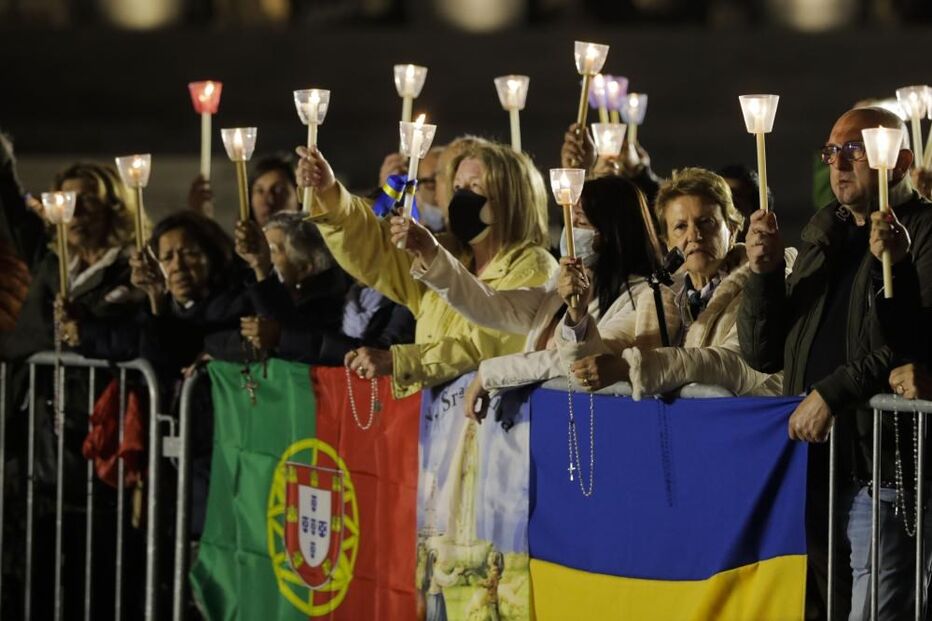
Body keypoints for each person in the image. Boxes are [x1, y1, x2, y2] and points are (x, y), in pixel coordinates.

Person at [739, 106, 932, 620]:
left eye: (855, 151)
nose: (838, 164)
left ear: (900, 161)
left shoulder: (924, 231)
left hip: (881, 466)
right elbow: (763, 352)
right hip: (815, 469)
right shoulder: (824, 235)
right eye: (831, 152)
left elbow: (912, 341)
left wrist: (832, 392)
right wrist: (763, 275)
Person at [296, 140, 557, 398]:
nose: (461, 196)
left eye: (474, 186)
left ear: (510, 199)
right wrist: (329, 194)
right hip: (438, 418)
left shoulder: (534, 266)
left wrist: (401, 361)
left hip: (490, 418)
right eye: (458, 187)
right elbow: (376, 251)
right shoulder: (445, 252)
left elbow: (489, 344)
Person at [396, 175, 670, 419]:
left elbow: (574, 362)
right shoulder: (557, 288)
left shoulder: (642, 297)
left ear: (612, 232)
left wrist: (491, 372)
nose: (571, 230)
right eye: (569, 218)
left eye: (581, 221)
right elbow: (492, 306)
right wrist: (431, 252)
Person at [567, 167, 792, 400]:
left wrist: (629, 367)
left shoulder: (764, 286)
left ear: (733, 230)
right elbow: (595, 357)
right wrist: (576, 314)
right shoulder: (660, 294)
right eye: (680, 226)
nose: (694, 235)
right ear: (667, 242)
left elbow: (739, 365)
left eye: (706, 222)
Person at [233, 212, 358, 364]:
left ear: (304, 266)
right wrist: (259, 266)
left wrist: (262, 268)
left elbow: (289, 335)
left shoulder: (328, 307)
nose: (267, 257)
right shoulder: (270, 298)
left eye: (271, 250)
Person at [188, 153, 300, 225]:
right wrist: (201, 219)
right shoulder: (238, 253)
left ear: (298, 194)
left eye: (278, 190)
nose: (268, 200)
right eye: (259, 191)